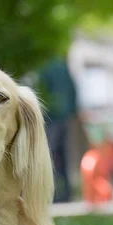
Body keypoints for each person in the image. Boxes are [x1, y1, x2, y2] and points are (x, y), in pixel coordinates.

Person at [37, 57, 78, 203]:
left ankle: (52, 194)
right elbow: (74, 90)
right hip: (65, 118)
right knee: (64, 155)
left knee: (50, 156)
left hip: (50, 117)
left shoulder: (44, 68)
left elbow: (40, 93)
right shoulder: (64, 67)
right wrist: (72, 111)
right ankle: (66, 194)